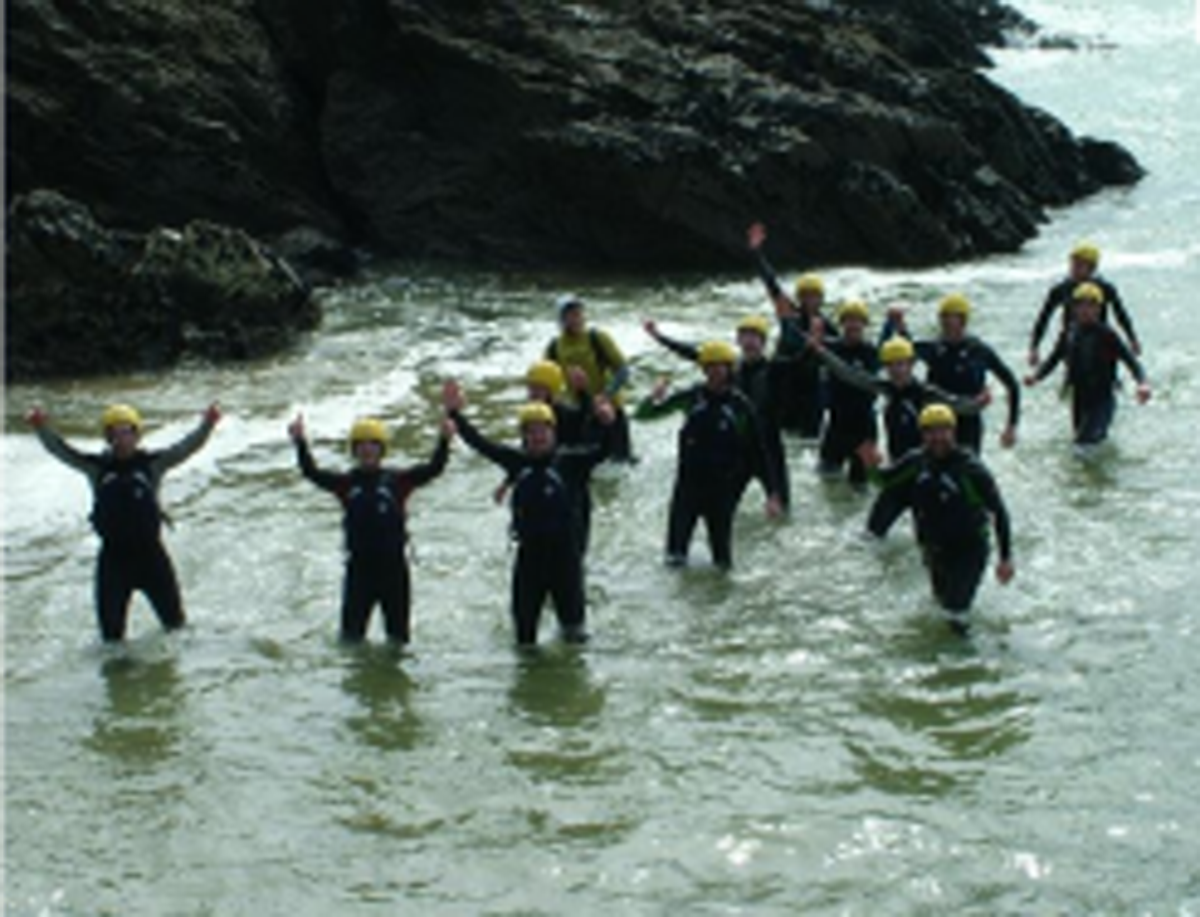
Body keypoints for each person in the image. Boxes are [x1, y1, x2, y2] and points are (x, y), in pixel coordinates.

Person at [26, 401, 221, 642]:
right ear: (107, 437)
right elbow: (61, 451)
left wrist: (208, 423)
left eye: (126, 431)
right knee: (112, 642)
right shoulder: (96, 467)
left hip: (152, 558)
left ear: (137, 434)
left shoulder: (153, 464)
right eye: (114, 432)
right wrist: (40, 426)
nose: (121, 438)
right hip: (113, 563)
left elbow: (186, 448)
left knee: (177, 630)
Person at [442, 382, 612, 646]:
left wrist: (606, 421)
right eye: (531, 432)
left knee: (575, 636)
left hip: (565, 560)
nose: (537, 436)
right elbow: (480, 444)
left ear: (553, 433)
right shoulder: (516, 461)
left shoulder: (571, 462)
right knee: (524, 639)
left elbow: (603, 450)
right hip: (529, 558)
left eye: (543, 430)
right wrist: (454, 414)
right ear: (524, 436)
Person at [289, 413, 452, 645]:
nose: (367, 449)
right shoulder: (345, 484)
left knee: (398, 641)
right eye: (361, 444)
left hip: (394, 572)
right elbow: (311, 473)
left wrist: (444, 439)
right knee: (350, 641)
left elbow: (434, 468)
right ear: (354, 450)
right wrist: (300, 442)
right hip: (359, 572)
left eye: (373, 443)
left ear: (382, 449)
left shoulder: (398, 481)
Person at [860, 404, 1014, 632]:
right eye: (930, 432)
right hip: (934, 549)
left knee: (955, 612)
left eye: (943, 431)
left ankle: (966, 659)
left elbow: (999, 512)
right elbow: (885, 481)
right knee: (941, 607)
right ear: (922, 435)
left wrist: (1005, 558)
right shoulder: (916, 461)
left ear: (953, 432)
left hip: (969, 550)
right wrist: (871, 465)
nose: (937, 437)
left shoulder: (971, 469)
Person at [635, 341, 783, 568]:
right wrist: (653, 397)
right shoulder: (691, 398)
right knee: (674, 559)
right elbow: (642, 416)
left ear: (729, 369)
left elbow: (758, 452)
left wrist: (772, 493)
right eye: (710, 366)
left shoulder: (740, 406)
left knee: (722, 563)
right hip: (687, 487)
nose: (715, 371)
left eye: (721, 366)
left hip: (722, 490)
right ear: (703, 369)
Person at [643, 314, 792, 510]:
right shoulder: (728, 368)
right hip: (738, 449)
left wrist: (813, 346)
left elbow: (802, 361)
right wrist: (659, 337)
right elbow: (694, 353)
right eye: (745, 335)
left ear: (763, 341)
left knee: (782, 508)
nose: (749, 341)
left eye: (754, 336)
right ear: (738, 340)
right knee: (725, 507)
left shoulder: (775, 368)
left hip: (769, 449)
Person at [810, 334, 984, 461]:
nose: (897, 370)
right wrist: (822, 353)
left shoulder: (925, 392)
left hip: (921, 461)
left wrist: (978, 403)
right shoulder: (887, 388)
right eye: (891, 365)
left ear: (911, 364)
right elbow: (851, 375)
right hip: (898, 461)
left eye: (901, 364)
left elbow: (956, 405)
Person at [1025, 281, 1151, 448]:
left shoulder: (1107, 334)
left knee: (1083, 444)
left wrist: (1142, 383)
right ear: (1074, 309)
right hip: (1079, 396)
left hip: (1103, 397)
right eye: (1081, 305)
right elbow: (1053, 359)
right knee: (1082, 440)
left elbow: (1131, 361)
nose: (1085, 310)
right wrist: (1036, 377)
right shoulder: (1069, 332)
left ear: (1099, 309)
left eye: (1091, 305)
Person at [746, 221, 831, 438]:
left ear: (821, 299)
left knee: (810, 438)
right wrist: (757, 253)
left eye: (814, 296)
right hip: (786, 385)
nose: (810, 300)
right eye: (805, 296)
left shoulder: (827, 325)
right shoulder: (789, 314)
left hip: (811, 391)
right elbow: (771, 284)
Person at [914, 293, 1020, 453]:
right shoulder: (932, 348)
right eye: (943, 318)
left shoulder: (979, 350)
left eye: (951, 318)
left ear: (963, 321)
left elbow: (1012, 384)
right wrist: (897, 328)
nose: (946, 323)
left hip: (969, 424)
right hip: (936, 424)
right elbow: (897, 358)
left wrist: (1011, 426)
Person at [545, 294, 634, 461]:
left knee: (621, 461)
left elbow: (623, 370)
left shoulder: (597, 338)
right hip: (582, 413)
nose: (576, 319)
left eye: (578, 313)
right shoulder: (554, 346)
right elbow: (547, 380)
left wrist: (606, 396)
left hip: (610, 411)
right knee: (587, 464)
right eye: (570, 315)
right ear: (561, 320)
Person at [1028, 241, 1141, 368]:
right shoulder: (1061, 289)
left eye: (1078, 264)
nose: (1073, 268)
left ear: (1092, 267)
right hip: (1072, 341)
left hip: (1100, 340)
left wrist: (1132, 339)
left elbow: (1121, 315)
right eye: (1072, 263)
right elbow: (1044, 318)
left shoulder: (1105, 288)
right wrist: (1034, 347)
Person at [814, 301, 879, 486]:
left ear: (864, 325)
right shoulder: (831, 348)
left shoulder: (871, 352)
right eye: (848, 320)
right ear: (842, 324)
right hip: (836, 426)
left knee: (860, 486)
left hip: (864, 427)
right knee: (826, 481)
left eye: (858, 321)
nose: (853, 325)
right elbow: (810, 348)